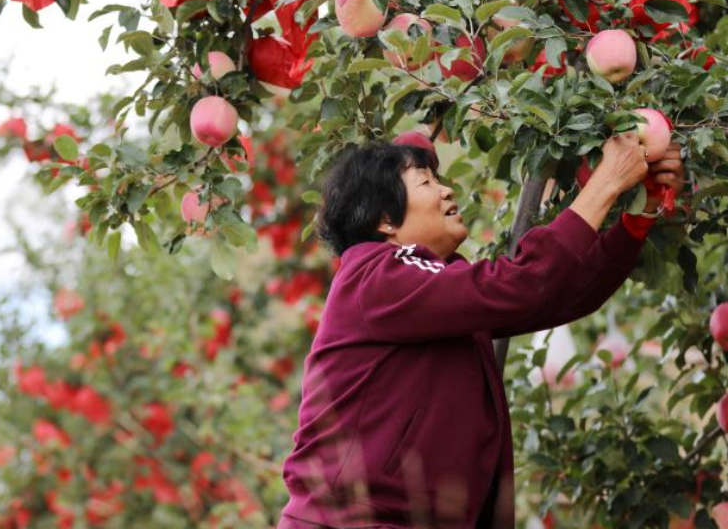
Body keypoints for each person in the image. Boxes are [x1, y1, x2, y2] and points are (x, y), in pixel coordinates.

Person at [276, 132, 686, 529]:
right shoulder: (375, 274)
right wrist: (607, 182)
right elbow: (521, 283)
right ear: (385, 219)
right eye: (426, 182)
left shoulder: (434, 294)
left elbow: (561, 293)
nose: (447, 191)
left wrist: (640, 213)